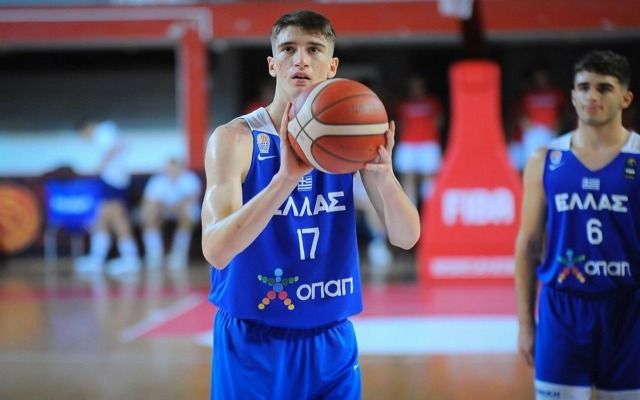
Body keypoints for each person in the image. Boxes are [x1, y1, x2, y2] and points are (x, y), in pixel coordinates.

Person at [201, 10, 420, 400]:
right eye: (288, 49)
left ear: (332, 66)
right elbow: (216, 251)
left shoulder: (351, 139)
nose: (300, 60)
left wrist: (384, 176)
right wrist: (284, 180)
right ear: (273, 64)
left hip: (330, 338)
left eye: (314, 49)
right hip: (254, 340)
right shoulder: (235, 139)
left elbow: (406, 237)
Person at [515, 50, 639, 399]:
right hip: (563, 309)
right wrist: (525, 324)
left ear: (625, 98)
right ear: (572, 96)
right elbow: (527, 246)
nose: (592, 96)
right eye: (584, 87)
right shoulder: (545, 160)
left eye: (604, 88)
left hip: (629, 309)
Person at [73, 119, 141, 274]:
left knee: (117, 219)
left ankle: (130, 259)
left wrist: (101, 165)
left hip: (114, 181)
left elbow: (119, 145)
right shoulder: (103, 134)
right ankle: (97, 259)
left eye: (84, 135)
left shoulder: (104, 131)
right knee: (102, 218)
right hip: (109, 180)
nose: (85, 138)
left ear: (87, 128)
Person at [141, 158, 202, 269]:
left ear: (181, 167)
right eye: (170, 167)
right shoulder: (157, 180)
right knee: (150, 214)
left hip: (184, 211)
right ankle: (155, 255)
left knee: (185, 213)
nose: (172, 170)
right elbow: (149, 201)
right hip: (163, 211)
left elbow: (190, 199)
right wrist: (162, 209)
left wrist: (173, 207)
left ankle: (179, 256)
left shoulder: (190, 179)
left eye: (175, 167)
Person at [394, 74, 444, 206]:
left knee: (430, 177)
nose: (416, 89)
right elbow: (399, 124)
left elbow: (439, 122)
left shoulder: (432, 102)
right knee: (408, 177)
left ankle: (429, 211)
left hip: (428, 143)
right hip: (408, 144)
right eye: (413, 86)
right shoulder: (404, 104)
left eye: (418, 85)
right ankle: (412, 212)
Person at [513, 65, 569, 170]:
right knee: (531, 164)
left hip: (550, 132)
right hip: (532, 133)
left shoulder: (556, 93)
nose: (540, 80)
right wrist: (524, 123)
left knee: (549, 165)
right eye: (537, 77)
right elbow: (518, 114)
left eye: (542, 76)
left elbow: (567, 112)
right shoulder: (527, 94)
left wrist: (560, 124)